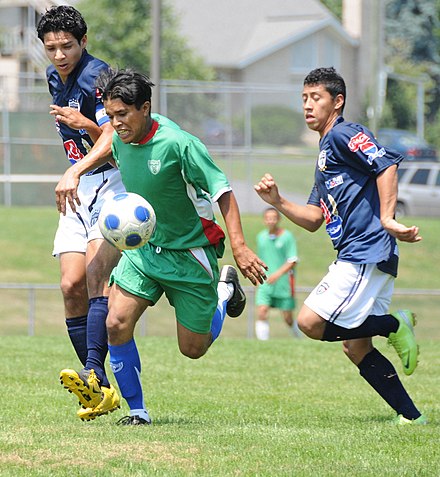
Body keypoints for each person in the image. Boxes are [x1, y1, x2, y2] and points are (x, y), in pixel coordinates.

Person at [92, 68, 267, 425]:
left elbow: (223, 192)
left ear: (145, 108)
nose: (116, 124)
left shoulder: (179, 144)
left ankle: (222, 292)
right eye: (110, 116)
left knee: (193, 349)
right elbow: (108, 148)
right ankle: (137, 412)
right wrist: (75, 170)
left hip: (191, 253)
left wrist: (241, 247)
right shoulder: (120, 137)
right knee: (116, 322)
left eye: (122, 115)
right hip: (145, 248)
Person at [255, 67, 426, 425]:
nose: (307, 105)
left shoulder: (344, 133)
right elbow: (315, 218)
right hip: (360, 251)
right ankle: (412, 417)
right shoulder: (325, 153)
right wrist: (278, 201)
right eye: (304, 98)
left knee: (310, 323)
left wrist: (388, 218)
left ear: (338, 101)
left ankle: (393, 326)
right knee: (355, 345)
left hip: (365, 249)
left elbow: (386, 165)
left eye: (315, 98)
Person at [37, 6, 125, 420]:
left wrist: (81, 134)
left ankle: (92, 372)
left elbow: (114, 136)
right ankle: (101, 390)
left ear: (83, 43)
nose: (58, 55)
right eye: (51, 47)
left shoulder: (98, 76)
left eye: (67, 46)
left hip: (109, 182)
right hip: (79, 184)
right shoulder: (55, 77)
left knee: (95, 276)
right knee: (71, 284)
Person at [255, 207, 300, 340]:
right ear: (264, 220)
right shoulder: (261, 237)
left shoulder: (287, 237)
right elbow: (260, 259)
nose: (271, 221)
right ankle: (262, 344)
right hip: (265, 282)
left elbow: (292, 260)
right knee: (262, 311)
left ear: (279, 219)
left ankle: (298, 338)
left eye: (274, 218)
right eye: (268, 218)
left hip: (284, 283)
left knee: (287, 317)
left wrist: (277, 274)